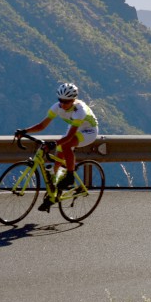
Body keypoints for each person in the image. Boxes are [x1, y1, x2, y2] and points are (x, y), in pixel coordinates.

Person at [15, 82, 100, 211]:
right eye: (60, 100)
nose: (63, 104)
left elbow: (69, 137)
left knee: (66, 146)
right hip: (74, 128)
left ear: (73, 100)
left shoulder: (80, 110)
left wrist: (54, 144)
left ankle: (70, 176)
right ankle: (54, 193)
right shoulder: (57, 107)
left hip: (89, 131)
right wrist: (25, 131)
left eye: (66, 101)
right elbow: (42, 126)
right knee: (57, 162)